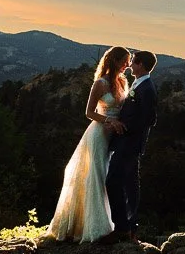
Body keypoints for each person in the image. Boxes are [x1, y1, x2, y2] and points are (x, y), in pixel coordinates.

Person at [47, 46, 129, 243]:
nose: (127, 65)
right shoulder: (100, 83)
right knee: (96, 176)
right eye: (125, 61)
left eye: (129, 61)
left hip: (116, 136)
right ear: (115, 61)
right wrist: (109, 121)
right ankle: (94, 228)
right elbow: (89, 112)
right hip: (99, 133)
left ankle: (108, 223)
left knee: (107, 178)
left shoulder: (123, 81)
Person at [99, 49, 158, 244]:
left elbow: (149, 119)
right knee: (130, 186)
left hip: (129, 143)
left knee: (113, 181)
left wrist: (125, 128)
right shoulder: (139, 84)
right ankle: (131, 228)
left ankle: (122, 228)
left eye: (133, 61)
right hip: (127, 143)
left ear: (140, 65)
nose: (130, 64)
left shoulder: (147, 88)